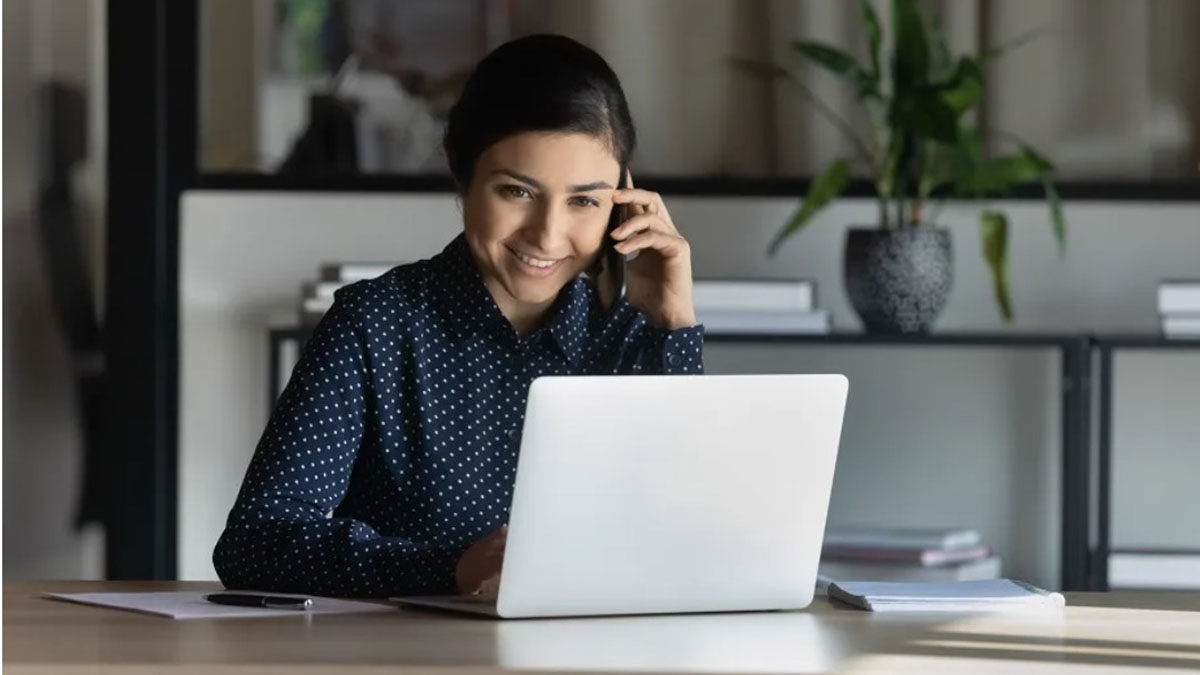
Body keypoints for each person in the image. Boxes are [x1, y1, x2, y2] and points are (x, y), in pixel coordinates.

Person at [213, 34, 705, 598]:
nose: (548, 234)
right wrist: (447, 570)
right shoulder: (376, 324)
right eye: (518, 192)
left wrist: (674, 324)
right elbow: (256, 542)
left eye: (584, 201)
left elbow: (686, 539)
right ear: (460, 168)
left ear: (624, 194)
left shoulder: (637, 336)